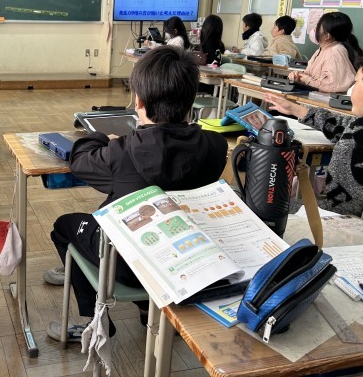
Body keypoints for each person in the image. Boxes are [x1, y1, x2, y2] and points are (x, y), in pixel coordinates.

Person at [44, 46, 228, 342]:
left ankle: (97, 323)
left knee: (63, 227)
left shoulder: (123, 150)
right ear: (191, 99)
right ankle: (147, 310)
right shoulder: (215, 146)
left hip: (129, 265)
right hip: (184, 260)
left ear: (138, 101)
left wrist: (100, 137)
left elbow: (80, 162)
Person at [263, 58, 363, 216]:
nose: (352, 89)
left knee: (263, 201)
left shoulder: (356, 143)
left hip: (337, 218)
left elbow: (340, 210)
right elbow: (340, 125)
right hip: (334, 210)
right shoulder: (359, 126)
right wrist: (296, 109)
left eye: (356, 82)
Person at [288, 12, 359, 93]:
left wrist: (308, 80)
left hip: (322, 99)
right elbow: (313, 76)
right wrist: (299, 76)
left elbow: (334, 86)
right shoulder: (322, 49)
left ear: (327, 36)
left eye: (318, 26)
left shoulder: (335, 51)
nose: (315, 29)